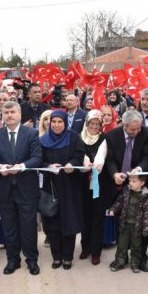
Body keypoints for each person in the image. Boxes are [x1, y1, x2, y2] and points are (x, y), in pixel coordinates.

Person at [0, 101, 42, 275]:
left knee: (28, 227)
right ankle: (13, 260)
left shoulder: (32, 134)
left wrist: (21, 166)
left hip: (26, 188)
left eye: (12, 112)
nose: (9, 115)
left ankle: (32, 260)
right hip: (5, 189)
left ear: (19, 114)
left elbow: (36, 158)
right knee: (9, 227)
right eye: (6, 112)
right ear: (2, 115)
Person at [103, 110, 148, 271]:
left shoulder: (146, 134)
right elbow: (109, 159)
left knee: (140, 223)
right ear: (124, 125)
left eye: (138, 128)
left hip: (138, 183)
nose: (136, 132)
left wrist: (139, 169)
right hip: (118, 183)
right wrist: (114, 174)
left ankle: (141, 259)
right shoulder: (112, 135)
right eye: (133, 129)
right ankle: (121, 257)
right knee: (122, 222)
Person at [40, 110, 85, 270]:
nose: (57, 125)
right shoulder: (43, 140)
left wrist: (72, 164)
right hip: (51, 186)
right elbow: (39, 161)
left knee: (69, 222)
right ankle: (56, 256)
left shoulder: (73, 137)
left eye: (60, 122)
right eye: (54, 122)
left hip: (70, 186)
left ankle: (67, 257)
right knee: (52, 223)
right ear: (49, 123)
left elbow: (80, 155)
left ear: (65, 123)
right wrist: (48, 167)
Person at [79, 110, 109, 265]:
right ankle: (85, 247)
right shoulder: (80, 137)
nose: (94, 126)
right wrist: (86, 164)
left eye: (97, 124)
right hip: (82, 182)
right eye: (92, 123)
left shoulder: (104, 138)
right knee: (85, 216)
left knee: (97, 217)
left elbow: (101, 155)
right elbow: (80, 153)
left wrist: (96, 167)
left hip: (98, 182)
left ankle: (96, 251)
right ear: (87, 123)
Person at [107, 175, 148, 273]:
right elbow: (119, 202)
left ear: (142, 183)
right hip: (125, 225)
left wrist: (146, 229)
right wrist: (113, 209)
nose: (130, 183)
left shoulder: (146, 197)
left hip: (137, 227)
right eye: (129, 181)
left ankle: (135, 264)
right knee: (121, 245)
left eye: (134, 181)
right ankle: (120, 261)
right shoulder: (126, 192)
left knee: (136, 246)